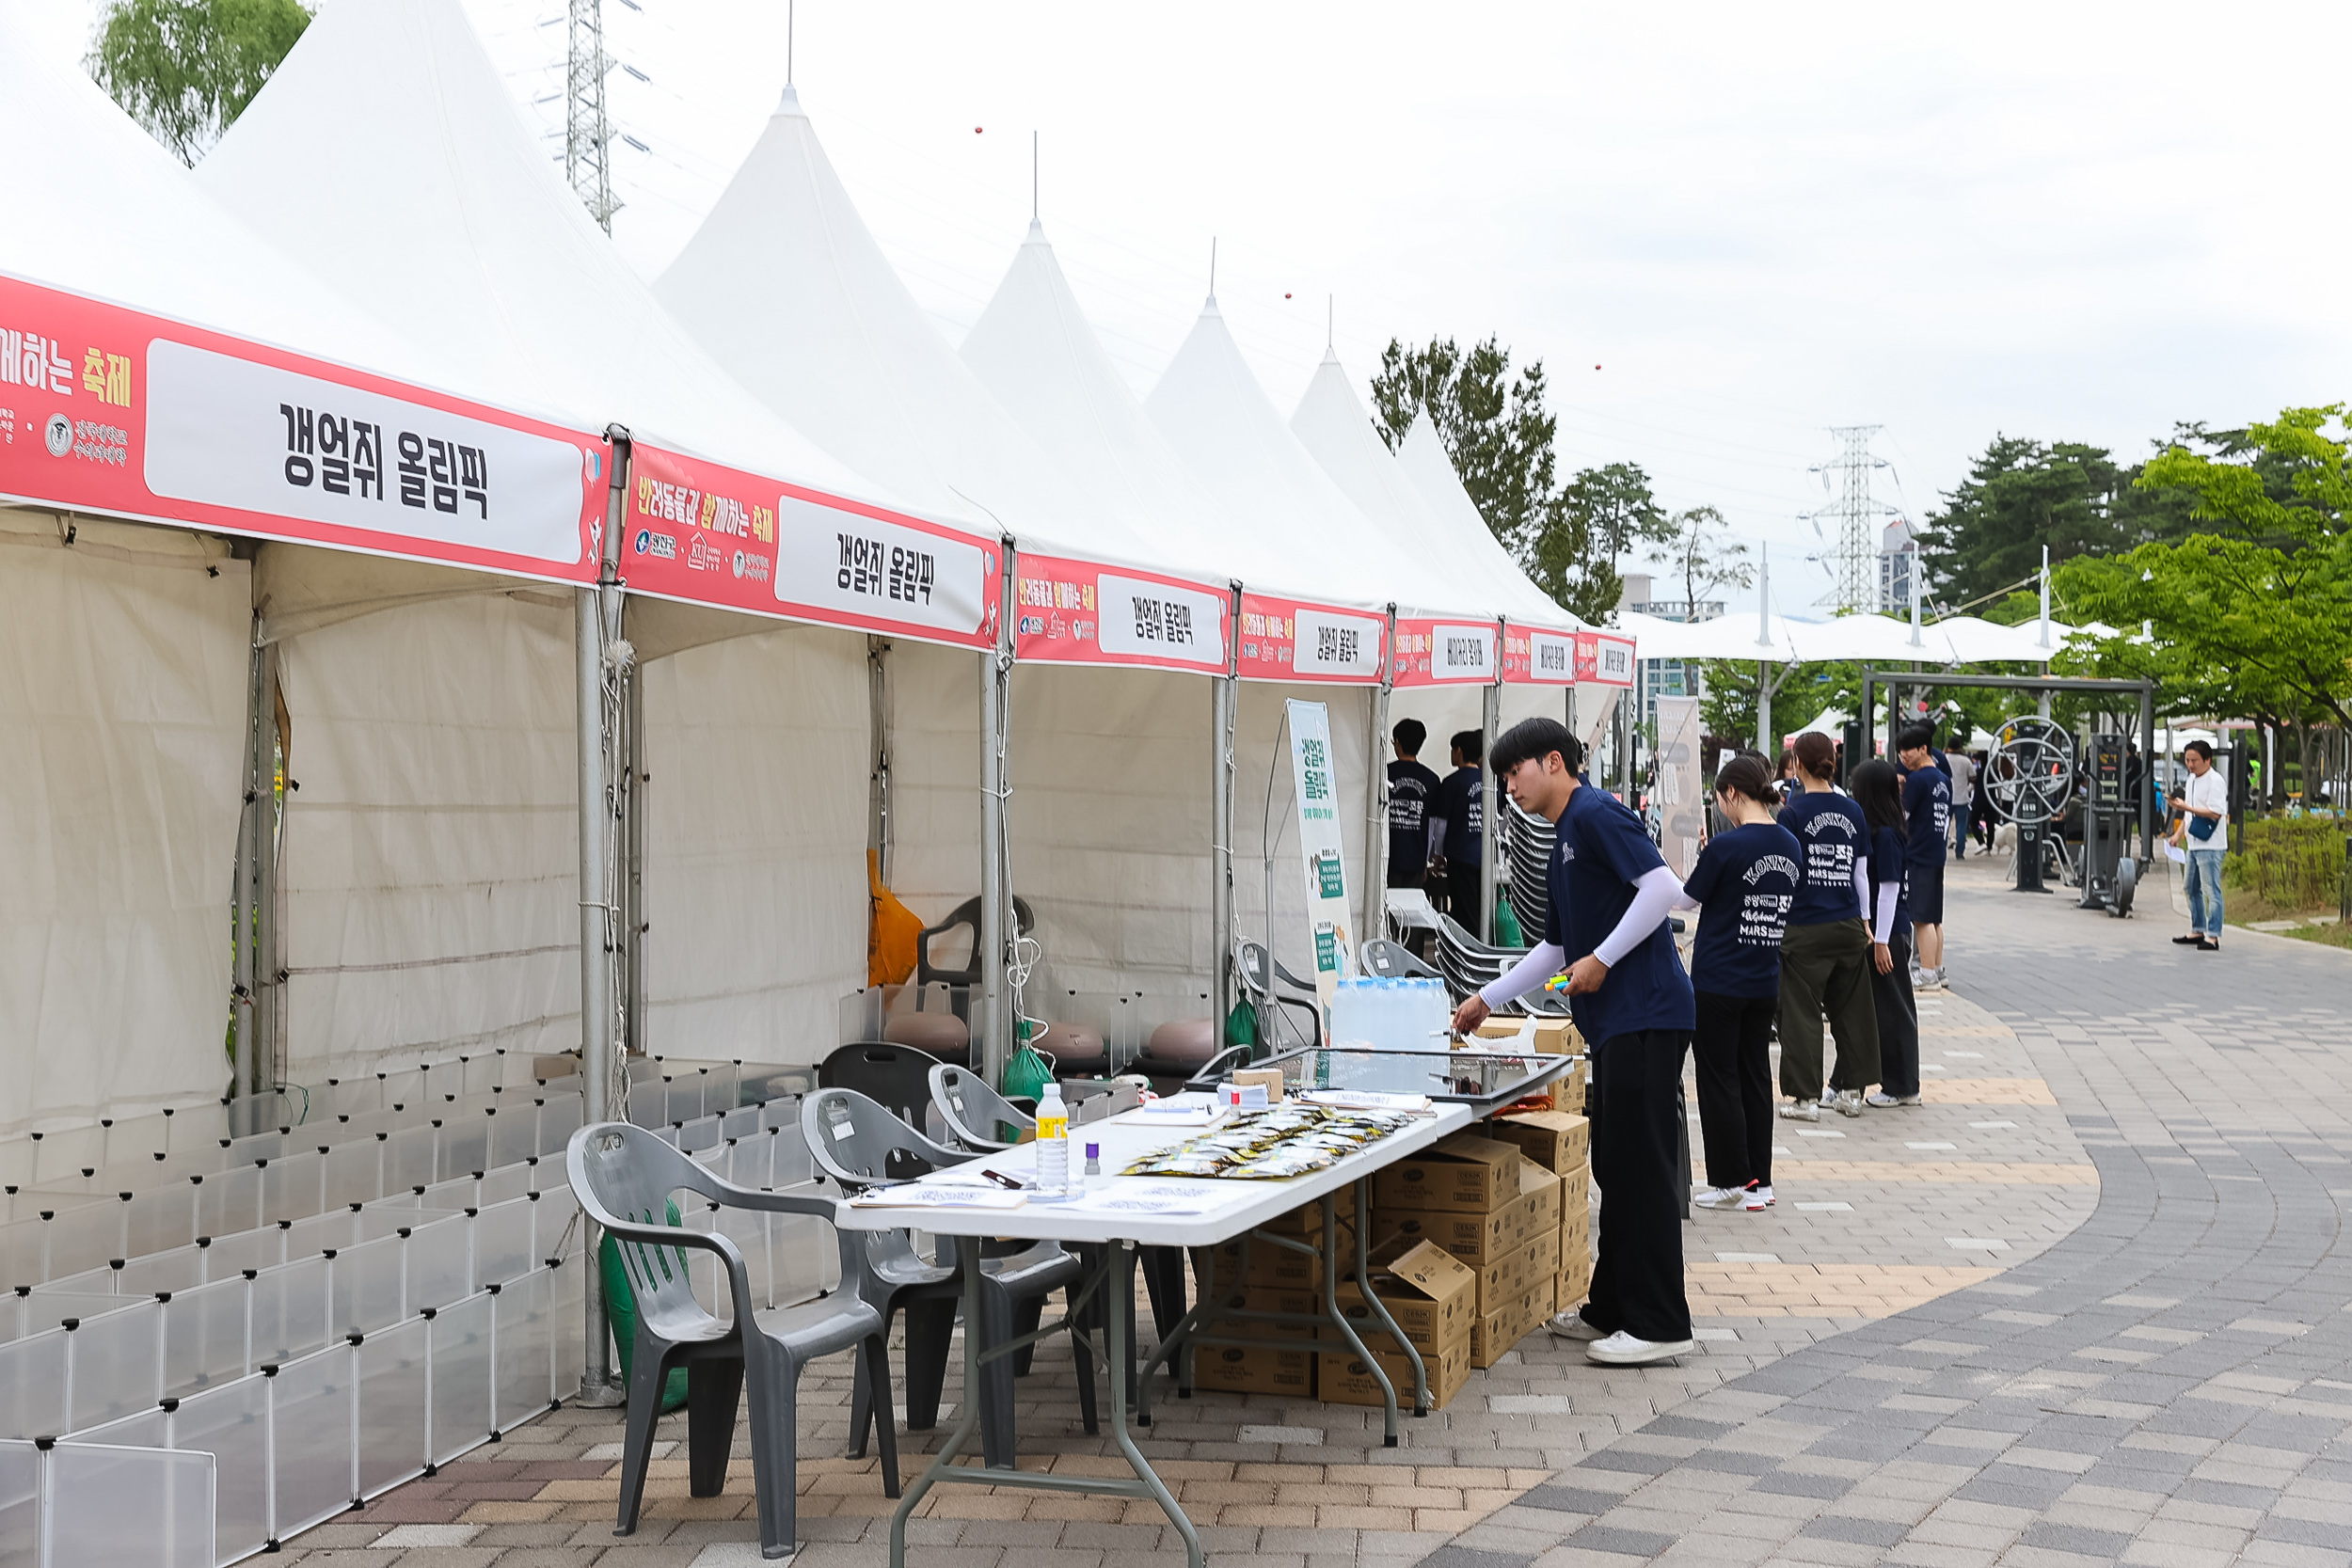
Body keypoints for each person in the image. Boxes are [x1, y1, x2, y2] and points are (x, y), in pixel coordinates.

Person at [1451, 719, 1697, 1368]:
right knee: (1616, 1163)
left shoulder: (1594, 813)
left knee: (1640, 1168)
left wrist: (1606, 959)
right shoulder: (1564, 833)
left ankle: (1660, 1322)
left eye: (1515, 773)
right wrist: (1488, 997)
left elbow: (1666, 891)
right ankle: (1610, 1307)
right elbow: (1558, 950)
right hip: (1616, 1021)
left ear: (1554, 762)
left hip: (1646, 1014)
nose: (1509, 787)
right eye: (1503, 779)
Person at [1673, 752, 1801, 1211]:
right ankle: (1759, 1183)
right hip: (1764, 978)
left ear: (1731, 794)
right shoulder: (1789, 843)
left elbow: (1686, 900)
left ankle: (1730, 1180)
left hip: (1718, 979)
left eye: (1719, 798)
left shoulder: (1726, 847)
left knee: (1717, 1078)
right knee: (1754, 1076)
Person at [1774, 731, 1879, 1121]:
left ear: (1798, 765)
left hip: (1804, 925)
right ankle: (1852, 1092)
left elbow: (1786, 872)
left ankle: (1805, 1099)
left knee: (1800, 1013)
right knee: (1853, 1010)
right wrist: (1865, 921)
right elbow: (1861, 873)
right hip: (1848, 921)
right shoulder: (1853, 810)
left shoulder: (1793, 813)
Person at [1851, 760, 1921, 1107]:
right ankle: (1897, 1083)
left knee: (1894, 1008)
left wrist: (1880, 940)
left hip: (1888, 931)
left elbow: (1890, 889)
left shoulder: (1887, 835)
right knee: (1888, 1006)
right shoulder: (1881, 830)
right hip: (1886, 929)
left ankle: (1903, 1086)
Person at [1895, 723, 1951, 990]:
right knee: (1933, 916)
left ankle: (1926, 973)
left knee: (1920, 917)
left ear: (1923, 749)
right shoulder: (1942, 778)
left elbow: (1902, 816)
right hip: (1937, 852)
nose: (1903, 755)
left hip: (1918, 853)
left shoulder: (1917, 780)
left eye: (1908, 750)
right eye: (1900, 751)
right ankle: (1937, 969)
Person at [1429, 729, 1486, 940]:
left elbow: (1440, 824)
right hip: (1486, 858)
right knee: (1483, 908)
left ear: (1459, 751)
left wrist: (1437, 855)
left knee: (1464, 909)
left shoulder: (1451, 783)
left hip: (1461, 857)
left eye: (1452, 750)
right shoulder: (1491, 782)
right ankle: (1483, 947)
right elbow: (1501, 819)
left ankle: (1470, 951)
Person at [2174, 738, 2228, 952]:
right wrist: (2178, 834)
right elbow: (2189, 812)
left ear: (2207, 760)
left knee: (2210, 890)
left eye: (2194, 760)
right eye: (2187, 760)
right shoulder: (2191, 780)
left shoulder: (2215, 781)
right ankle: (2198, 929)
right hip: (2194, 843)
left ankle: (2213, 936)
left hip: (2211, 844)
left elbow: (2215, 812)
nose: (2190, 764)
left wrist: (2186, 806)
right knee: (2190, 887)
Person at [1385, 720, 1442, 891]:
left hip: (1387, 857)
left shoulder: (1384, 773)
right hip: (1416, 858)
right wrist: (1426, 859)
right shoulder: (1432, 779)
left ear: (1398, 742)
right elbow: (1433, 824)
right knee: (1411, 911)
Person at [1945, 746, 1977, 861]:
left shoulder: (1945, 758)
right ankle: (1960, 852)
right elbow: (1973, 776)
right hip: (1962, 797)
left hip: (1947, 797)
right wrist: (1968, 788)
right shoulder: (1965, 760)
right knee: (1961, 825)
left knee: (1944, 825)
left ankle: (1942, 848)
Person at [1970, 750, 1996, 850]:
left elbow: (1972, 786)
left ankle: (1981, 842)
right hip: (1991, 800)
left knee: (1973, 822)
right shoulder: (1994, 771)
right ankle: (1989, 846)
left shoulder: (1978, 772)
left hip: (1979, 799)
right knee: (1990, 825)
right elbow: (1999, 787)